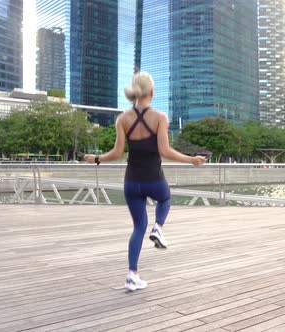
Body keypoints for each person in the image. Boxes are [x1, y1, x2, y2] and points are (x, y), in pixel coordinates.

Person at [84, 71, 206, 291]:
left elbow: (117, 152)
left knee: (138, 228)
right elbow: (165, 151)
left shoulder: (122, 119)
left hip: (131, 182)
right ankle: (158, 227)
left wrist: (97, 159)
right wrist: (192, 160)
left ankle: (132, 275)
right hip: (153, 178)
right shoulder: (159, 118)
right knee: (165, 197)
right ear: (152, 92)